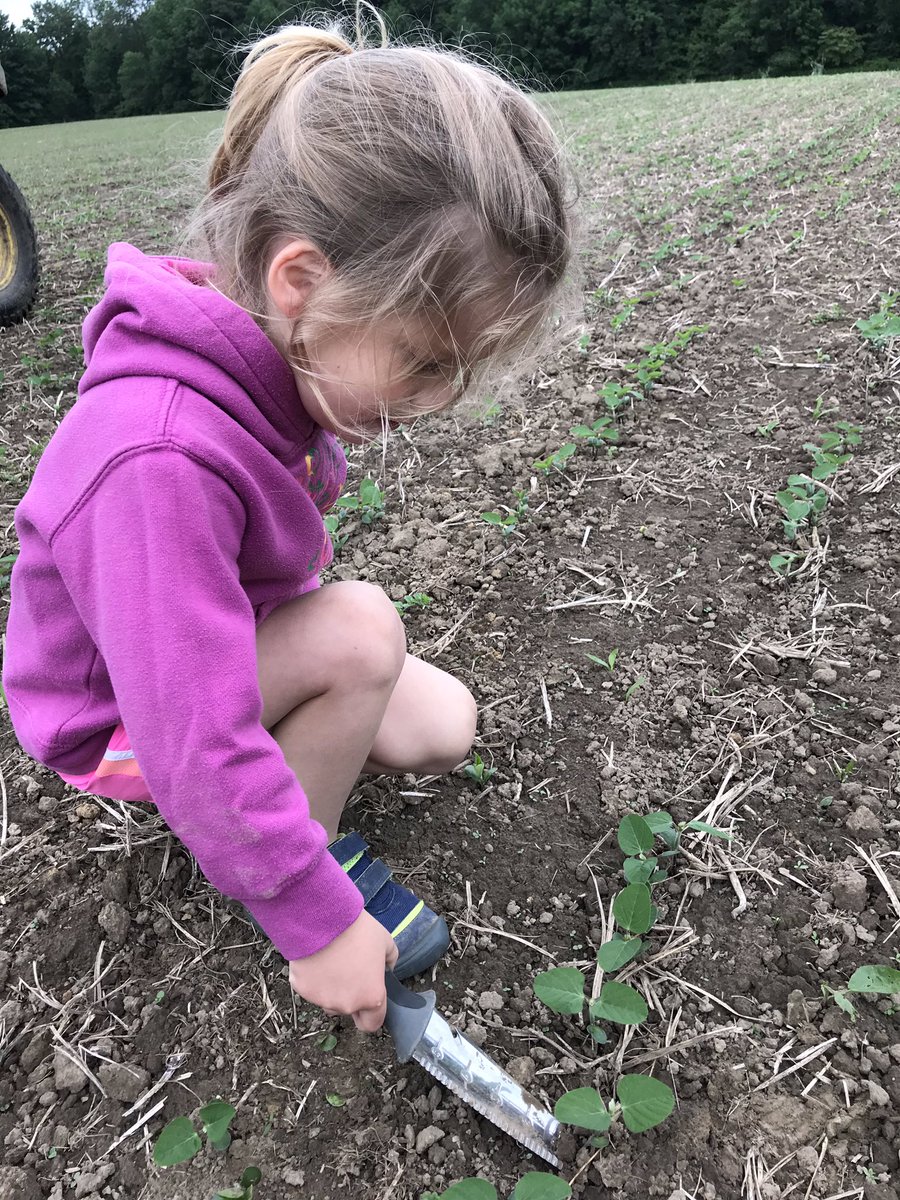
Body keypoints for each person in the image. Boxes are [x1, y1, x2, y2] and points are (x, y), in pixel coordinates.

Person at [2, 15, 572, 1034]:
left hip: (194, 665)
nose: (437, 402)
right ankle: (279, 864)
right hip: (128, 719)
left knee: (443, 727)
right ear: (299, 282)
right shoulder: (156, 453)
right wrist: (315, 923)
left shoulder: (269, 357)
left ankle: (269, 808)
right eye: (427, 362)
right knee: (359, 637)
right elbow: (189, 724)